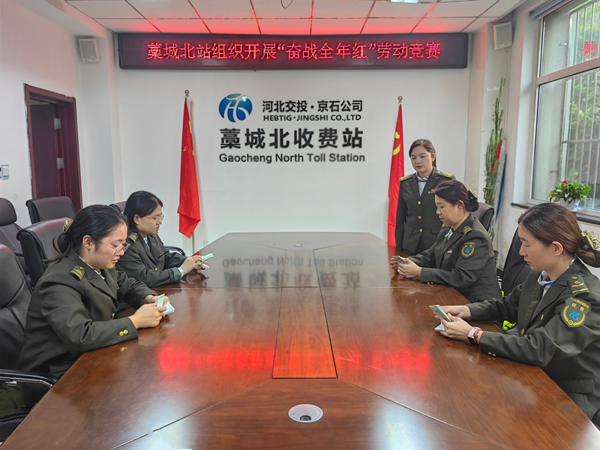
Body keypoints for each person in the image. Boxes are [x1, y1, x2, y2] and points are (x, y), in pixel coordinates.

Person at [438, 203, 600, 419]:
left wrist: (473, 334)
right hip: (536, 375)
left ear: (556, 248)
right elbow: (507, 306)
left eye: (526, 244)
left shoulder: (584, 297)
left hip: (569, 394)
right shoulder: (540, 276)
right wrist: (466, 310)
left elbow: (539, 347)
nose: (521, 252)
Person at [17, 205, 169, 378]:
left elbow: (129, 285)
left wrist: (149, 297)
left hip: (92, 355)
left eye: (123, 244)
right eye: (115, 245)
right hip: (59, 373)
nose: (121, 252)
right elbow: (80, 335)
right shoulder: (58, 281)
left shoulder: (101, 264)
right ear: (88, 242)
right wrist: (136, 321)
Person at [391, 180, 501, 303]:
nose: (437, 212)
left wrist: (420, 273)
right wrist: (407, 262)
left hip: (476, 304)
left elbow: (461, 277)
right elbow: (431, 255)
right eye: (437, 207)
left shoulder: (475, 236)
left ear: (459, 206)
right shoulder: (449, 228)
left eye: (441, 207)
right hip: (452, 295)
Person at [116, 191, 204, 287]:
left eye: (160, 217)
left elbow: (164, 257)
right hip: (142, 294)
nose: (159, 222)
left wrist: (189, 261)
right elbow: (144, 277)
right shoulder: (126, 243)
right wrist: (180, 271)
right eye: (155, 218)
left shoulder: (151, 234)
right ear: (136, 218)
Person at [395, 139, 455, 256]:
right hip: (410, 245)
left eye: (422, 156)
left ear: (433, 157)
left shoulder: (446, 181)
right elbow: (400, 219)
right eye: (413, 158)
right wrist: (398, 250)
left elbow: (453, 217)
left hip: (436, 244)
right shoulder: (405, 183)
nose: (418, 161)